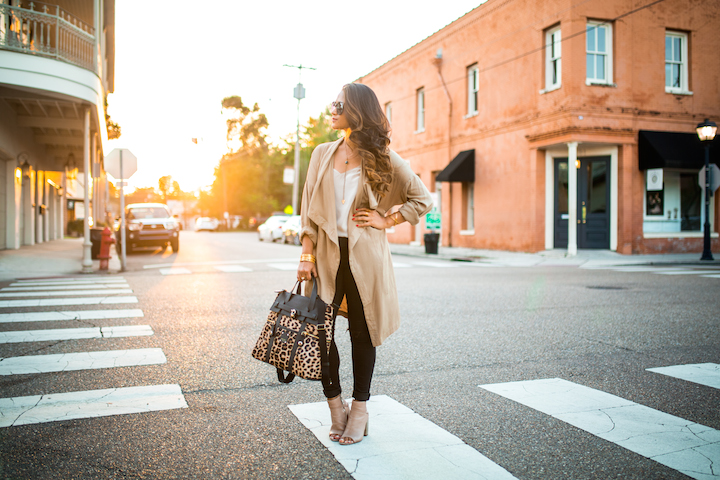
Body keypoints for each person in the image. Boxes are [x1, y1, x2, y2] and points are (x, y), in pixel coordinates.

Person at [297, 83, 433, 445]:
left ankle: (360, 409)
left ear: (356, 111)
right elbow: (308, 210)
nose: (332, 107)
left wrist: (386, 220)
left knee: (361, 333)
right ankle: (335, 407)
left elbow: (422, 198)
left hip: (364, 258)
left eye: (338, 103)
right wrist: (306, 255)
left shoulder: (383, 156)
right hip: (326, 256)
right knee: (321, 335)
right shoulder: (322, 153)